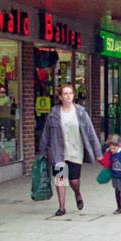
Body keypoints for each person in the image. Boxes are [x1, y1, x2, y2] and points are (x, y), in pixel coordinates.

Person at [39, 83, 102, 216]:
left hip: (75, 150)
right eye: (65, 94)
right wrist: (43, 150)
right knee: (60, 179)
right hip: (58, 152)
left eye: (70, 93)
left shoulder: (80, 112)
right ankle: (61, 207)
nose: (68, 96)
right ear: (60, 97)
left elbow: (90, 132)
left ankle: (77, 193)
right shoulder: (54, 113)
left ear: (73, 96)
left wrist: (98, 152)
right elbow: (46, 133)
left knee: (74, 180)